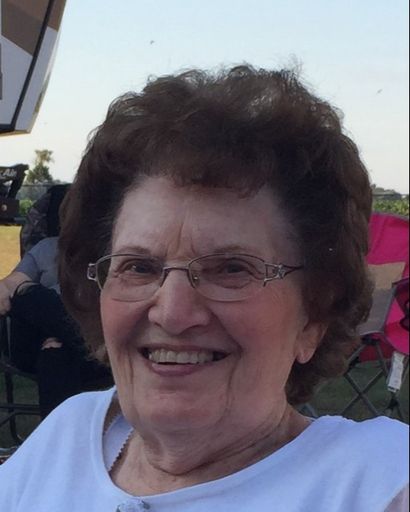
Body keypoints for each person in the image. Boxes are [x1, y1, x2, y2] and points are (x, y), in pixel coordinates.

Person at [0, 65, 408, 510]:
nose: (173, 312)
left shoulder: (376, 481)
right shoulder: (69, 436)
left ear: (314, 316)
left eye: (231, 269)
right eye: (139, 267)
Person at [0, 236, 111, 417]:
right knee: (30, 296)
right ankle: (88, 342)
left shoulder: (109, 249)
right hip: (40, 343)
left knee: (55, 356)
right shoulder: (47, 248)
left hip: (91, 352)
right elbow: (11, 284)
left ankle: (57, 435)